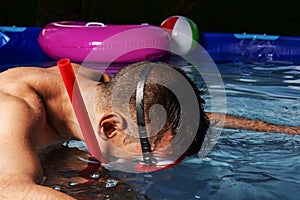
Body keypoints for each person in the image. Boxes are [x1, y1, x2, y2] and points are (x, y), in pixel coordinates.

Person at [0, 61, 298, 199]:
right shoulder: (15, 109)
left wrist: (283, 130)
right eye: (149, 159)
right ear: (110, 127)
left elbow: (180, 113)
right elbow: (11, 189)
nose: (150, 169)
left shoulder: (102, 89)